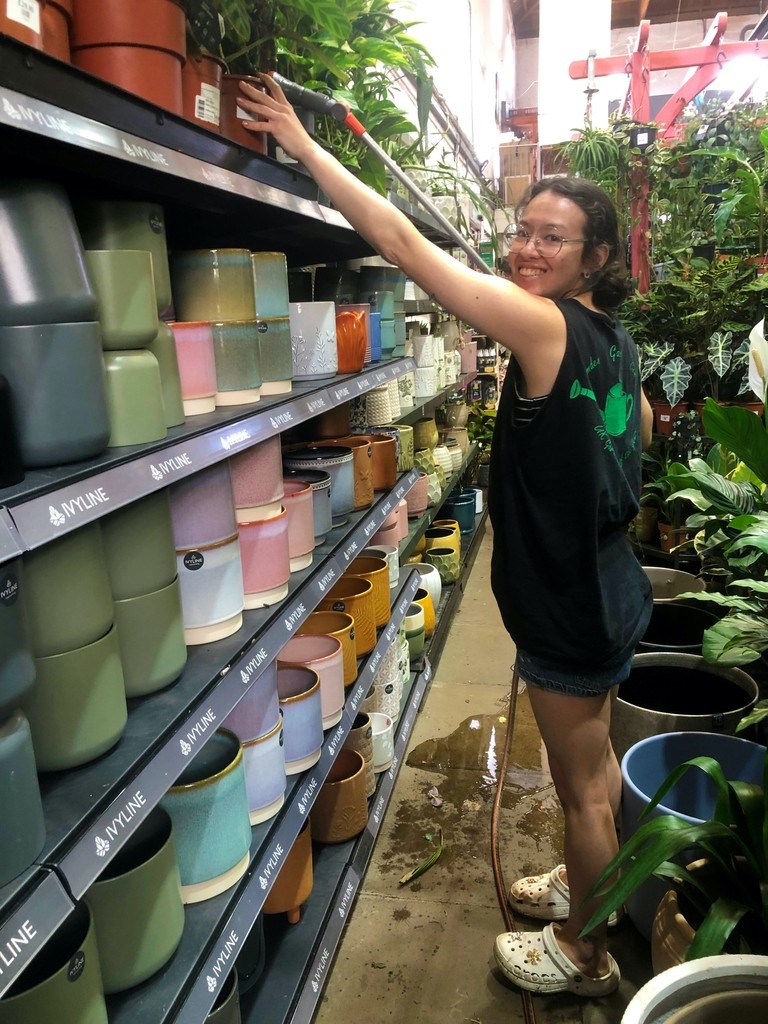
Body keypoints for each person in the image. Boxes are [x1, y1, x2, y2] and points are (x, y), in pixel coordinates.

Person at [237, 75, 653, 999]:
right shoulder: (608, 337)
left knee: (580, 784)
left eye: (555, 238)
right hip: (608, 582)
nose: (529, 247)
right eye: (526, 230)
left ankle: (586, 956)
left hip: (571, 597)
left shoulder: (542, 325)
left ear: (591, 260)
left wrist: (305, 150)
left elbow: (399, 245)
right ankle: (592, 883)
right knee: (596, 765)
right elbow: (642, 432)